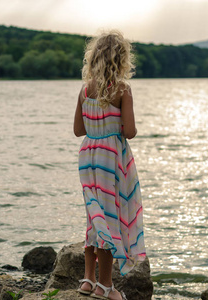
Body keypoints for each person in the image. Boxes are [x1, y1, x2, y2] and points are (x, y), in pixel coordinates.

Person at [73, 30, 146, 300]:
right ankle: (106, 286)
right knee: (108, 218)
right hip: (111, 158)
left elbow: (78, 129)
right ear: (122, 59)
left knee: (94, 217)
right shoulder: (122, 89)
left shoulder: (84, 89)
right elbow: (130, 131)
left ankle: (88, 280)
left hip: (89, 157)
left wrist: (96, 125)